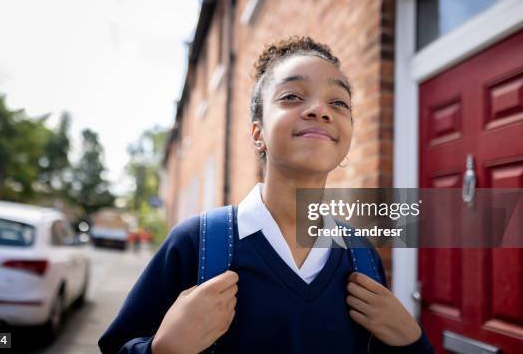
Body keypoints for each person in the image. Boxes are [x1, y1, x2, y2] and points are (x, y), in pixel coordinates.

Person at [98, 36, 434, 353]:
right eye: (292, 96)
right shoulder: (195, 244)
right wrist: (164, 350)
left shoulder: (363, 256)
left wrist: (412, 341)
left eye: (338, 102)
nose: (320, 110)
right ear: (258, 133)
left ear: (346, 138)